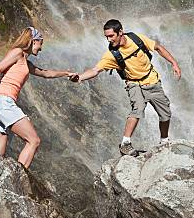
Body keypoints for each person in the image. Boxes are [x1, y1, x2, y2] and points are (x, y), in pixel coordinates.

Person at [73, 19, 181, 156]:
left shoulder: (136, 39)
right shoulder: (112, 55)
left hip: (152, 80)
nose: (108, 40)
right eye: (106, 36)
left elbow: (158, 47)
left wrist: (174, 63)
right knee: (138, 109)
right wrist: (80, 77)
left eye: (111, 36)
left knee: (165, 114)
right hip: (134, 84)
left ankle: (164, 141)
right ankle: (125, 143)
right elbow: (95, 70)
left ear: (120, 32)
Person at [0, 27, 78, 168]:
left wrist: (65, 73)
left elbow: (46, 74)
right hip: (3, 102)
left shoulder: (26, 62)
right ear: (33, 41)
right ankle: (19, 177)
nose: (41, 48)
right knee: (33, 140)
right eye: (41, 44)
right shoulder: (17, 53)